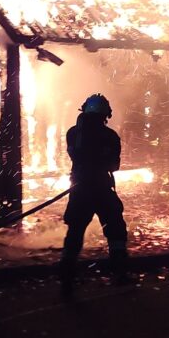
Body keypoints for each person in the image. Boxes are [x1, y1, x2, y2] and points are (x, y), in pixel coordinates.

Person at [60, 94, 130, 296]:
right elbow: (114, 166)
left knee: (75, 232)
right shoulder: (111, 136)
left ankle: (67, 276)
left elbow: (74, 155)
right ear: (105, 114)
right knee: (116, 230)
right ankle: (119, 273)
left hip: (80, 189)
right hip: (101, 189)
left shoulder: (73, 133)